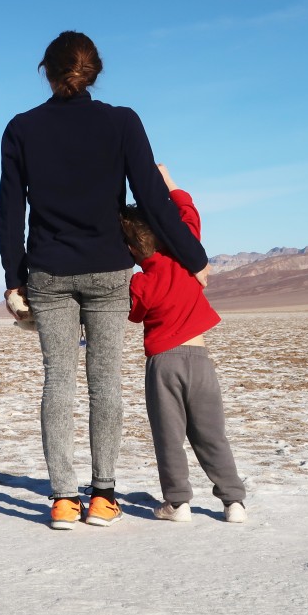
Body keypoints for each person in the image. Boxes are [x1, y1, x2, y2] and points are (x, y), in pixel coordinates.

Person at [0, 31, 211, 530]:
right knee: (104, 382)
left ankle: (62, 500)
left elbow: (11, 210)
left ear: (46, 72)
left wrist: (14, 277)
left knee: (58, 381)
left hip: (47, 272)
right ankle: (103, 496)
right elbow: (154, 197)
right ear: (94, 71)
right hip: (109, 271)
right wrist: (193, 256)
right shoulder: (122, 121)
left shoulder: (21, 128)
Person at [120, 165, 247, 523]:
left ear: (131, 249)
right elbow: (188, 211)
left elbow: (134, 314)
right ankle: (233, 501)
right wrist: (166, 180)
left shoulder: (141, 283)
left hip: (163, 364)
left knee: (169, 435)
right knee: (211, 434)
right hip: (200, 358)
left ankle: (178, 503)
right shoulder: (186, 259)